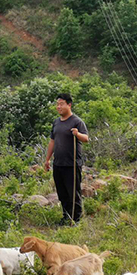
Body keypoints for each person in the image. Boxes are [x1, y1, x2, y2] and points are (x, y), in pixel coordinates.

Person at [44, 93, 89, 226]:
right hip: (58, 163)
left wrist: (77, 134)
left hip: (72, 164)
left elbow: (86, 139)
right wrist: (47, 160)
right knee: (62, 193)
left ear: (69, 105)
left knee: (73, 193)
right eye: (57, 104)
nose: (58, 107)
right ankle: (66, 217)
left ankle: (76, 220)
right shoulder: (56, 122)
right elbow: (52, 141)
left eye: (61, 104)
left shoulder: (77, 121)